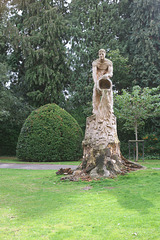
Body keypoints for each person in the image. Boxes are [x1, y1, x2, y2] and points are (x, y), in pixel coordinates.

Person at [92, 49, 113, 114]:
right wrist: (96, 83)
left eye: (102, 54)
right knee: (95, 93)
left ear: (105, 54)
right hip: (98, 78)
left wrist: (107, 75)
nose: (101, 55)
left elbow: (111, 73)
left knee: (109, 93)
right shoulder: (95, 63)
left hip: (106, 78)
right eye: (100, 54)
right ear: (98, 55)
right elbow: (94, 73)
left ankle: (110, 108)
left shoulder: (109, 62)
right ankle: (95, 109)